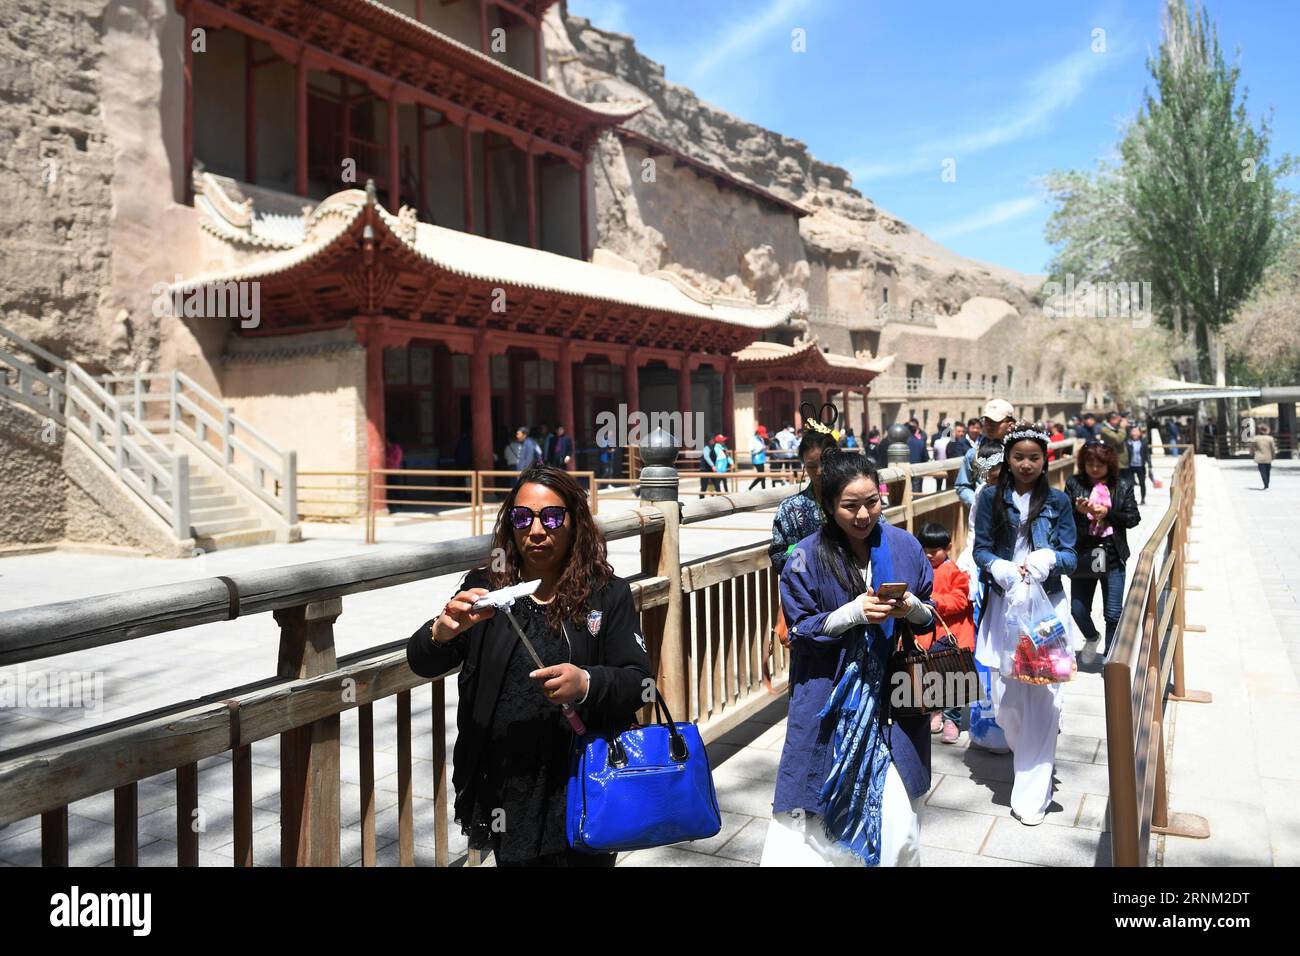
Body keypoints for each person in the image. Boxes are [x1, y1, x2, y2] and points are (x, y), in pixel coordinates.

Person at [404, 465, 653, 866]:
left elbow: (640, 682)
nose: (536, 530)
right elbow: (421, 661)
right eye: (523, 517)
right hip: (508, 784)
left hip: (583, 779)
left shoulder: (607, 594)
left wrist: (587, 682)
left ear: (575, 523)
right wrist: (441, 632)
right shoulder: (487, 588)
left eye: (552, 517)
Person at [762, 449, 936, 866]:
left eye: (871, 502)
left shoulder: (905, 545)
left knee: (896, 822)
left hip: (892, 701)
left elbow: (931, 615)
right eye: (850, 506)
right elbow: (800, 630)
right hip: (828, 697)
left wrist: (912, 609)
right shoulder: (804, 554)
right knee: (813, 826)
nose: (863, 515)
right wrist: (848, 615)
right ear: (828, 505)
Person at [973, 422, 1078, 826]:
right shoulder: (989, 499)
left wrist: (1048, 558)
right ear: (1009, 459)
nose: (1027, 464)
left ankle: (1033, 791)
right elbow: (981, 548)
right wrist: (997, 566)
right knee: (1006, 702)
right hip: (1004, 605)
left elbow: (1072, 555)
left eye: (1034, 457)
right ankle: (1027, 746)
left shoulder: (1058, 502)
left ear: (1044, 460)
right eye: (1019, 457)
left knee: (1041, 698)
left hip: (1046, 608)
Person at [1065, 440, 1140, 654]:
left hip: (1113, 553)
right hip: (1083, 553)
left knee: (1113, 613)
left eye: (1100, 464)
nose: (1095, 469)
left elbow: (1133, 517)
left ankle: (1110, 657)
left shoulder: (1122, 484)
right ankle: (1092, 636)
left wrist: (1108, 514)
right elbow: (1064, 519)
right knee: (1078, 610)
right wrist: (1078, 511)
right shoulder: (1073, 483)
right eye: (1090, 464)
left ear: (1109, 464)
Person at [916, 522, 974, 745]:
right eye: (926, 551)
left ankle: (952, 720)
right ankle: (935, 712)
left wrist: (936, 601)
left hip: (953, 633)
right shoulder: (920, 568)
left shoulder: (955, 572)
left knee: (953, 679)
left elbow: (960, 600)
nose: (930, 556)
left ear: (948, 547)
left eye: (935, 551)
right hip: (929, 634)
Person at [769, 427, 839, 573]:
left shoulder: (856, 499)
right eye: (812, 466)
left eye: (825, 463)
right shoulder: (790, 509)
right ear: (804, 466)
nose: (819, 471)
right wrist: (805, 554)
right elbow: (778, 557)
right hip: (809, 589)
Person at [956, 399, 1017, 509]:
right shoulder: (973, 454)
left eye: (995, 422)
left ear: (1010, 425)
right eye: (986, 421)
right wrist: (979, 503)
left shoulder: (1021, 453)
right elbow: (962, 486)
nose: (989, 426)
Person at [1123, 425, 1153, 504]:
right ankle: (1130, 500)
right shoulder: (1127, 442)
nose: (1135, 433)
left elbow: (1147, 454)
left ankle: (1143, 499)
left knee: (1142, 483)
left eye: (1137, 431)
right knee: (1130, 484)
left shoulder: (1143, 442)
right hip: (1130, 466)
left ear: (1140, 433)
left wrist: (1150, 465)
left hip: (1140, 466)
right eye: (1133, 431)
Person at [1250, 424, 1278, 489]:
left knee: (1262, 472)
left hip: (1259, 457)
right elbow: (1273, 449)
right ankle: (1267, 483)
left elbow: (1252, 447)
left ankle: (1266, 484)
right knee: (1267, 471)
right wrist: (1273, 456)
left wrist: (1251, 453)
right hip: (1268, 457)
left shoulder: (1255, 438)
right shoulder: (1270, 438)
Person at [906, 418, 928, 493]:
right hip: (917, 469)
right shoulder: (920, 442)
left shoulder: (902, 443)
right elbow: (926, 457)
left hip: (904, 470)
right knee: (917, 492)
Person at [749, 425, 769, 490]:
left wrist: (765, 448)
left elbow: (763, 448)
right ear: (758, 433)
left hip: (762, 459)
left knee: (762, 476)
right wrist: (760, 449)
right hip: (756, 460)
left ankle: (763, 489)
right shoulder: (753, 439)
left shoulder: (761, 439)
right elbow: (752, 451)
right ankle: (751, 488)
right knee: (761, 476)